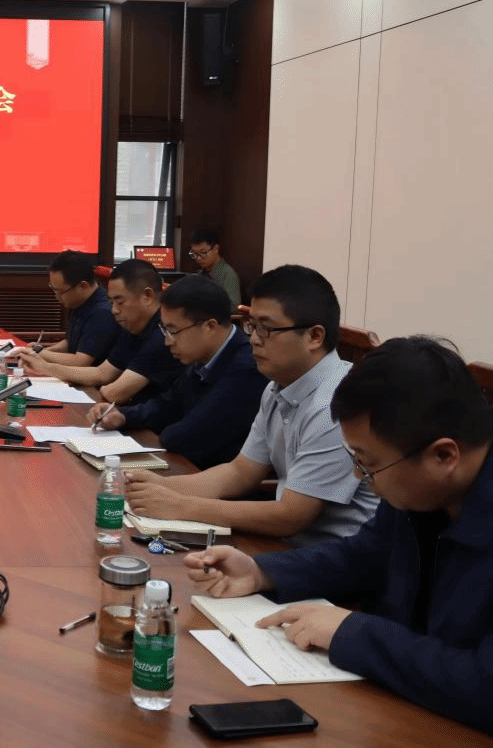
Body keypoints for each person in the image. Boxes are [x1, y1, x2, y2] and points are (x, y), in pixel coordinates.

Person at [186, 337, 493, 733]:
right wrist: (262, 572)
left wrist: (354, 634)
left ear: (444, 455)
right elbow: (365, 555)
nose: (358, 475)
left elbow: (484, 685)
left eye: (368, 464)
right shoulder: (422, 487)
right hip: (401, 710)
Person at [125, 265, 379, 545]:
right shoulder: (277, 386)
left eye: (266, 328)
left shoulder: (334, 405)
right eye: (252, 325)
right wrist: (157, 486)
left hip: (332, 558)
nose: (254, 339)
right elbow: (240, 472)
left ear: (314, 336)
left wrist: (182, 506)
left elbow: (291, 516)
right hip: (286, 545)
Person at [85, 275, 266, 469]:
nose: (167, 341)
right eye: (165, 331)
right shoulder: (202, 355)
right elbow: (167, 404)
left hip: (209, 478)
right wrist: (123, 416)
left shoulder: (247, 369)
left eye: (173, 331)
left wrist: (164, 430)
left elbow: (186, 437)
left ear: (210, 326)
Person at [20, 259, 182, 404]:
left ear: (147, 296)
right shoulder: (133, 326)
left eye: (120, 302)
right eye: (111, 303)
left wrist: (45, 364)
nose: (114, 311)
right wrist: (44, 366)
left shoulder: (163, 335)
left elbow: (114, 393)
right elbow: (102, 373)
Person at [13, 249, 119, 370]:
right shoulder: (79, 301)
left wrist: (39, 353)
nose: (57, 297)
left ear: (83, 286)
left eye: (60, 291)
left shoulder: (102, 312)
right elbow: (71, 342)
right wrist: (42, 350)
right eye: (54, 289)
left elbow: (81, 361)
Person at [188, 229, 241, 307]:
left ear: (216, 249)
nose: (198, 258)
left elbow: (233, 308)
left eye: (203, 252)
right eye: (194, 253)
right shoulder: (199, 275)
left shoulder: (228, 275)